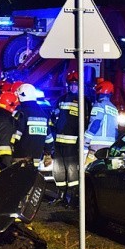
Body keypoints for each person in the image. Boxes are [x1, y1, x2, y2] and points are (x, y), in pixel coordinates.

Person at [51, 71, 89, 207]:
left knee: (72, 170)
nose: (73, 87)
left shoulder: (83, 101)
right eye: (71, 84)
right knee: (58, 170)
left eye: (75, 84)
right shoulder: (61, 99)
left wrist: (80, 141)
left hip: (73, 142)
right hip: (59, 141)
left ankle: (73, 198)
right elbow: (53, 118)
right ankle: (60, 196)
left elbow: (85, 123)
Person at [12, 83, 53, 167]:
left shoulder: (21, 113)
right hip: (37, 158)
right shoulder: (43, 114)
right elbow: (49, 139)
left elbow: (16, 136)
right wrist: (48, 153)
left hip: (21, 158)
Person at [84, 80, 119, 163]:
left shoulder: (98, 105)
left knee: (88, 168)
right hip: (110, 145)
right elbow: (116, 130)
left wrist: (86, 141)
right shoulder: (114, 108)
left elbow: (95, 124)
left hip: (96, 144)